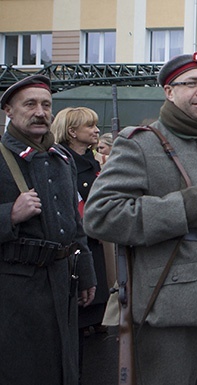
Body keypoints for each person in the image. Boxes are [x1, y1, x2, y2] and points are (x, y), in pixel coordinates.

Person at [82, 52, 197, 385]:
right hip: (168, 306)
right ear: (169, 91)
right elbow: (100, 215)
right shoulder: (141, 145)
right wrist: (177, 209)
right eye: (191, 83)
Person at [0, 75, 97, 384]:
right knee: (23, 369)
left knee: (64, 366)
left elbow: (74, 222)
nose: (40, 112)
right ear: (9, 111)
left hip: (61, 280)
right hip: (15, 288)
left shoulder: (61, 158)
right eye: (30, 104)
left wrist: (86, 273)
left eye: (46, 105)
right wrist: (9, 215)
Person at [50, 106, 111, 380]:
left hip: (94, 252)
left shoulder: (92, 163)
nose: (96, 130)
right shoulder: (59, 162)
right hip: (71, 254)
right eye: (90, 126)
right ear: (72, 132)